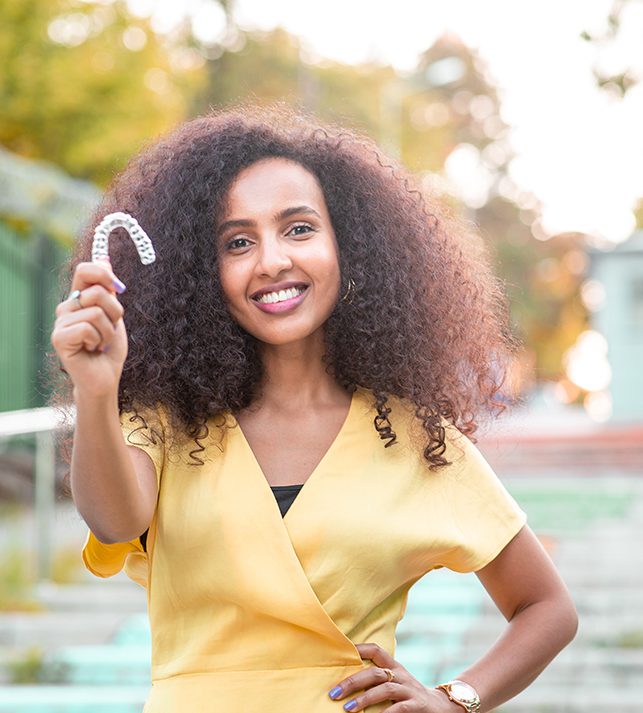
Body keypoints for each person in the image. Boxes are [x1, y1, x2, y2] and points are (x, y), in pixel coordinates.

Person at [51, 104, 577, 713]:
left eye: (299, 229)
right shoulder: (168, 423)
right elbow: (114, 523)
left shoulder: (413, 438)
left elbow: (547, 608)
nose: (272, 260)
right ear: (203, 270)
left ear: (347, 246)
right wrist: (97, 390)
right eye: (238, 242)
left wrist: (456, 699)